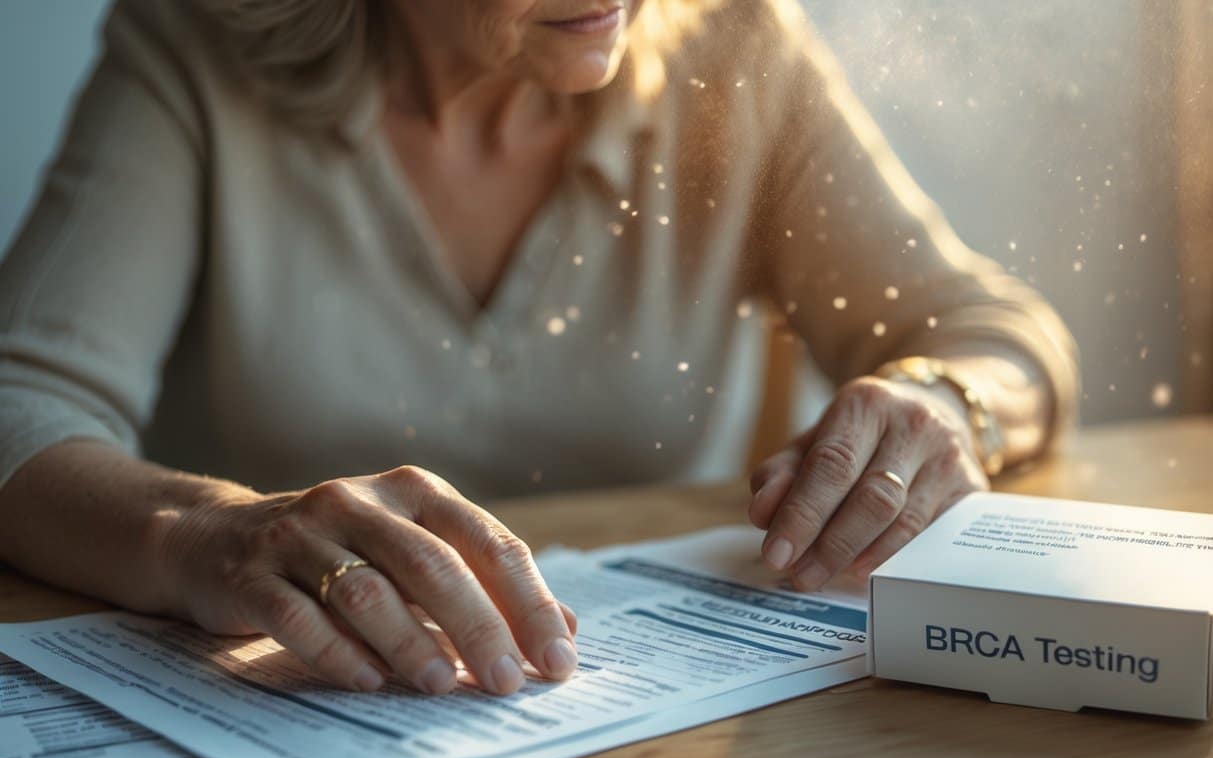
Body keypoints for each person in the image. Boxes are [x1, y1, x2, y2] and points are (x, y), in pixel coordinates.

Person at [0, 0, 1077, 697]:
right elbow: (17, 402)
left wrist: (946, 402)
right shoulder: (193, 50)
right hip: (279, 709)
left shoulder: (738, 49)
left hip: (636, 744)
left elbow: (995, 334)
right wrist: (212, 534)